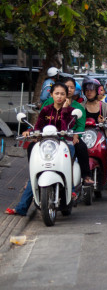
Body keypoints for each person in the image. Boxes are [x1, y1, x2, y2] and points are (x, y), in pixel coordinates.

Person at [7, 84, 84, 215]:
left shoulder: (70, 111)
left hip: (64, 143)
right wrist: (30, 132)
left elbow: (66, 127)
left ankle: (71, 190)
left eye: (62, 94)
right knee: (34, 175)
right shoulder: (46, 110)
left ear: (66, 96)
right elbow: (38, 126)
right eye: (57, 93)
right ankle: (22, 208)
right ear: (52, 95)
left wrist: (64, 110)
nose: (59, 96)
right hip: (47, 145)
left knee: (69, 163)